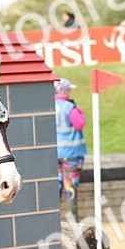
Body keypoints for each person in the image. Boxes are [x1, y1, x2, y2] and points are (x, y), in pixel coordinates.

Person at [55, 79, 87, 216]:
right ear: (65, 90)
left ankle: (53, 216)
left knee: (57, 185)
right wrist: (80, 111)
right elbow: (79, 124)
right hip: (71, 153)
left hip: (55, 152)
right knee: (71, 186)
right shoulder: (70, 107)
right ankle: (71, 217)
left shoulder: (50, 105)